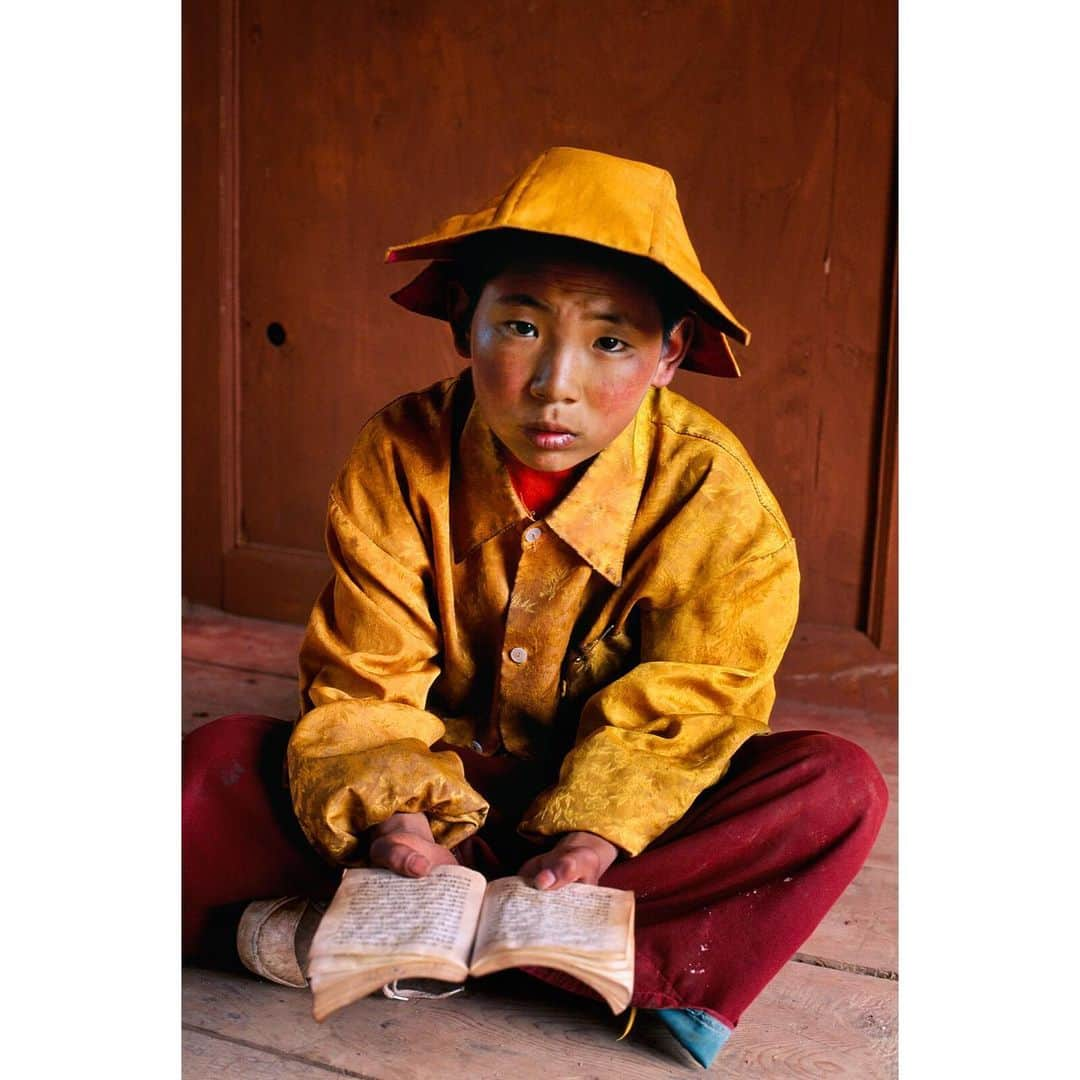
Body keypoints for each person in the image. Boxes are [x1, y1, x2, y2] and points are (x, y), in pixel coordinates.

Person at [183, 146, 887, 1069]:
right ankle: (590, 961)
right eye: (518, 327)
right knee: (213, 763)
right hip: (438, 797)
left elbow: (697, 702)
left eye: (611, 342)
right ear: (461, 324)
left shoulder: (715, 497)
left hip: (623, 827)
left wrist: (591, 841)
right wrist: (400, 824)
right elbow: (366, 677)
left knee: (836, 789)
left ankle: (372, 938)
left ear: (670, 353)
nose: (557, 383)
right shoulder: (400, 453)